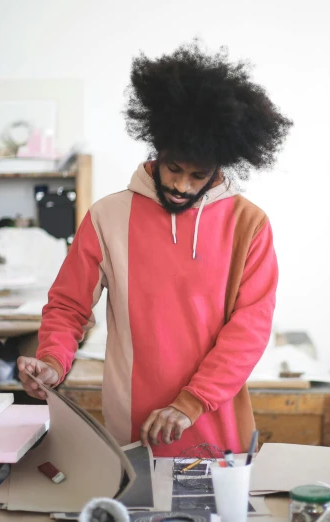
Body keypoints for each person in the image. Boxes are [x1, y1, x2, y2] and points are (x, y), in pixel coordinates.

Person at [17, 40, 292, 457]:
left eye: (198, 175)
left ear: (220, 166)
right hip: (132, 430)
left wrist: (191, 402)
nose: (182, 185)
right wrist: (53, 362)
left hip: (216, 425)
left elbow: (249, 329)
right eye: (174, 168)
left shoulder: (249, 225)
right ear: (157, 149)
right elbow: (69, 306)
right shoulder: (107, 217)